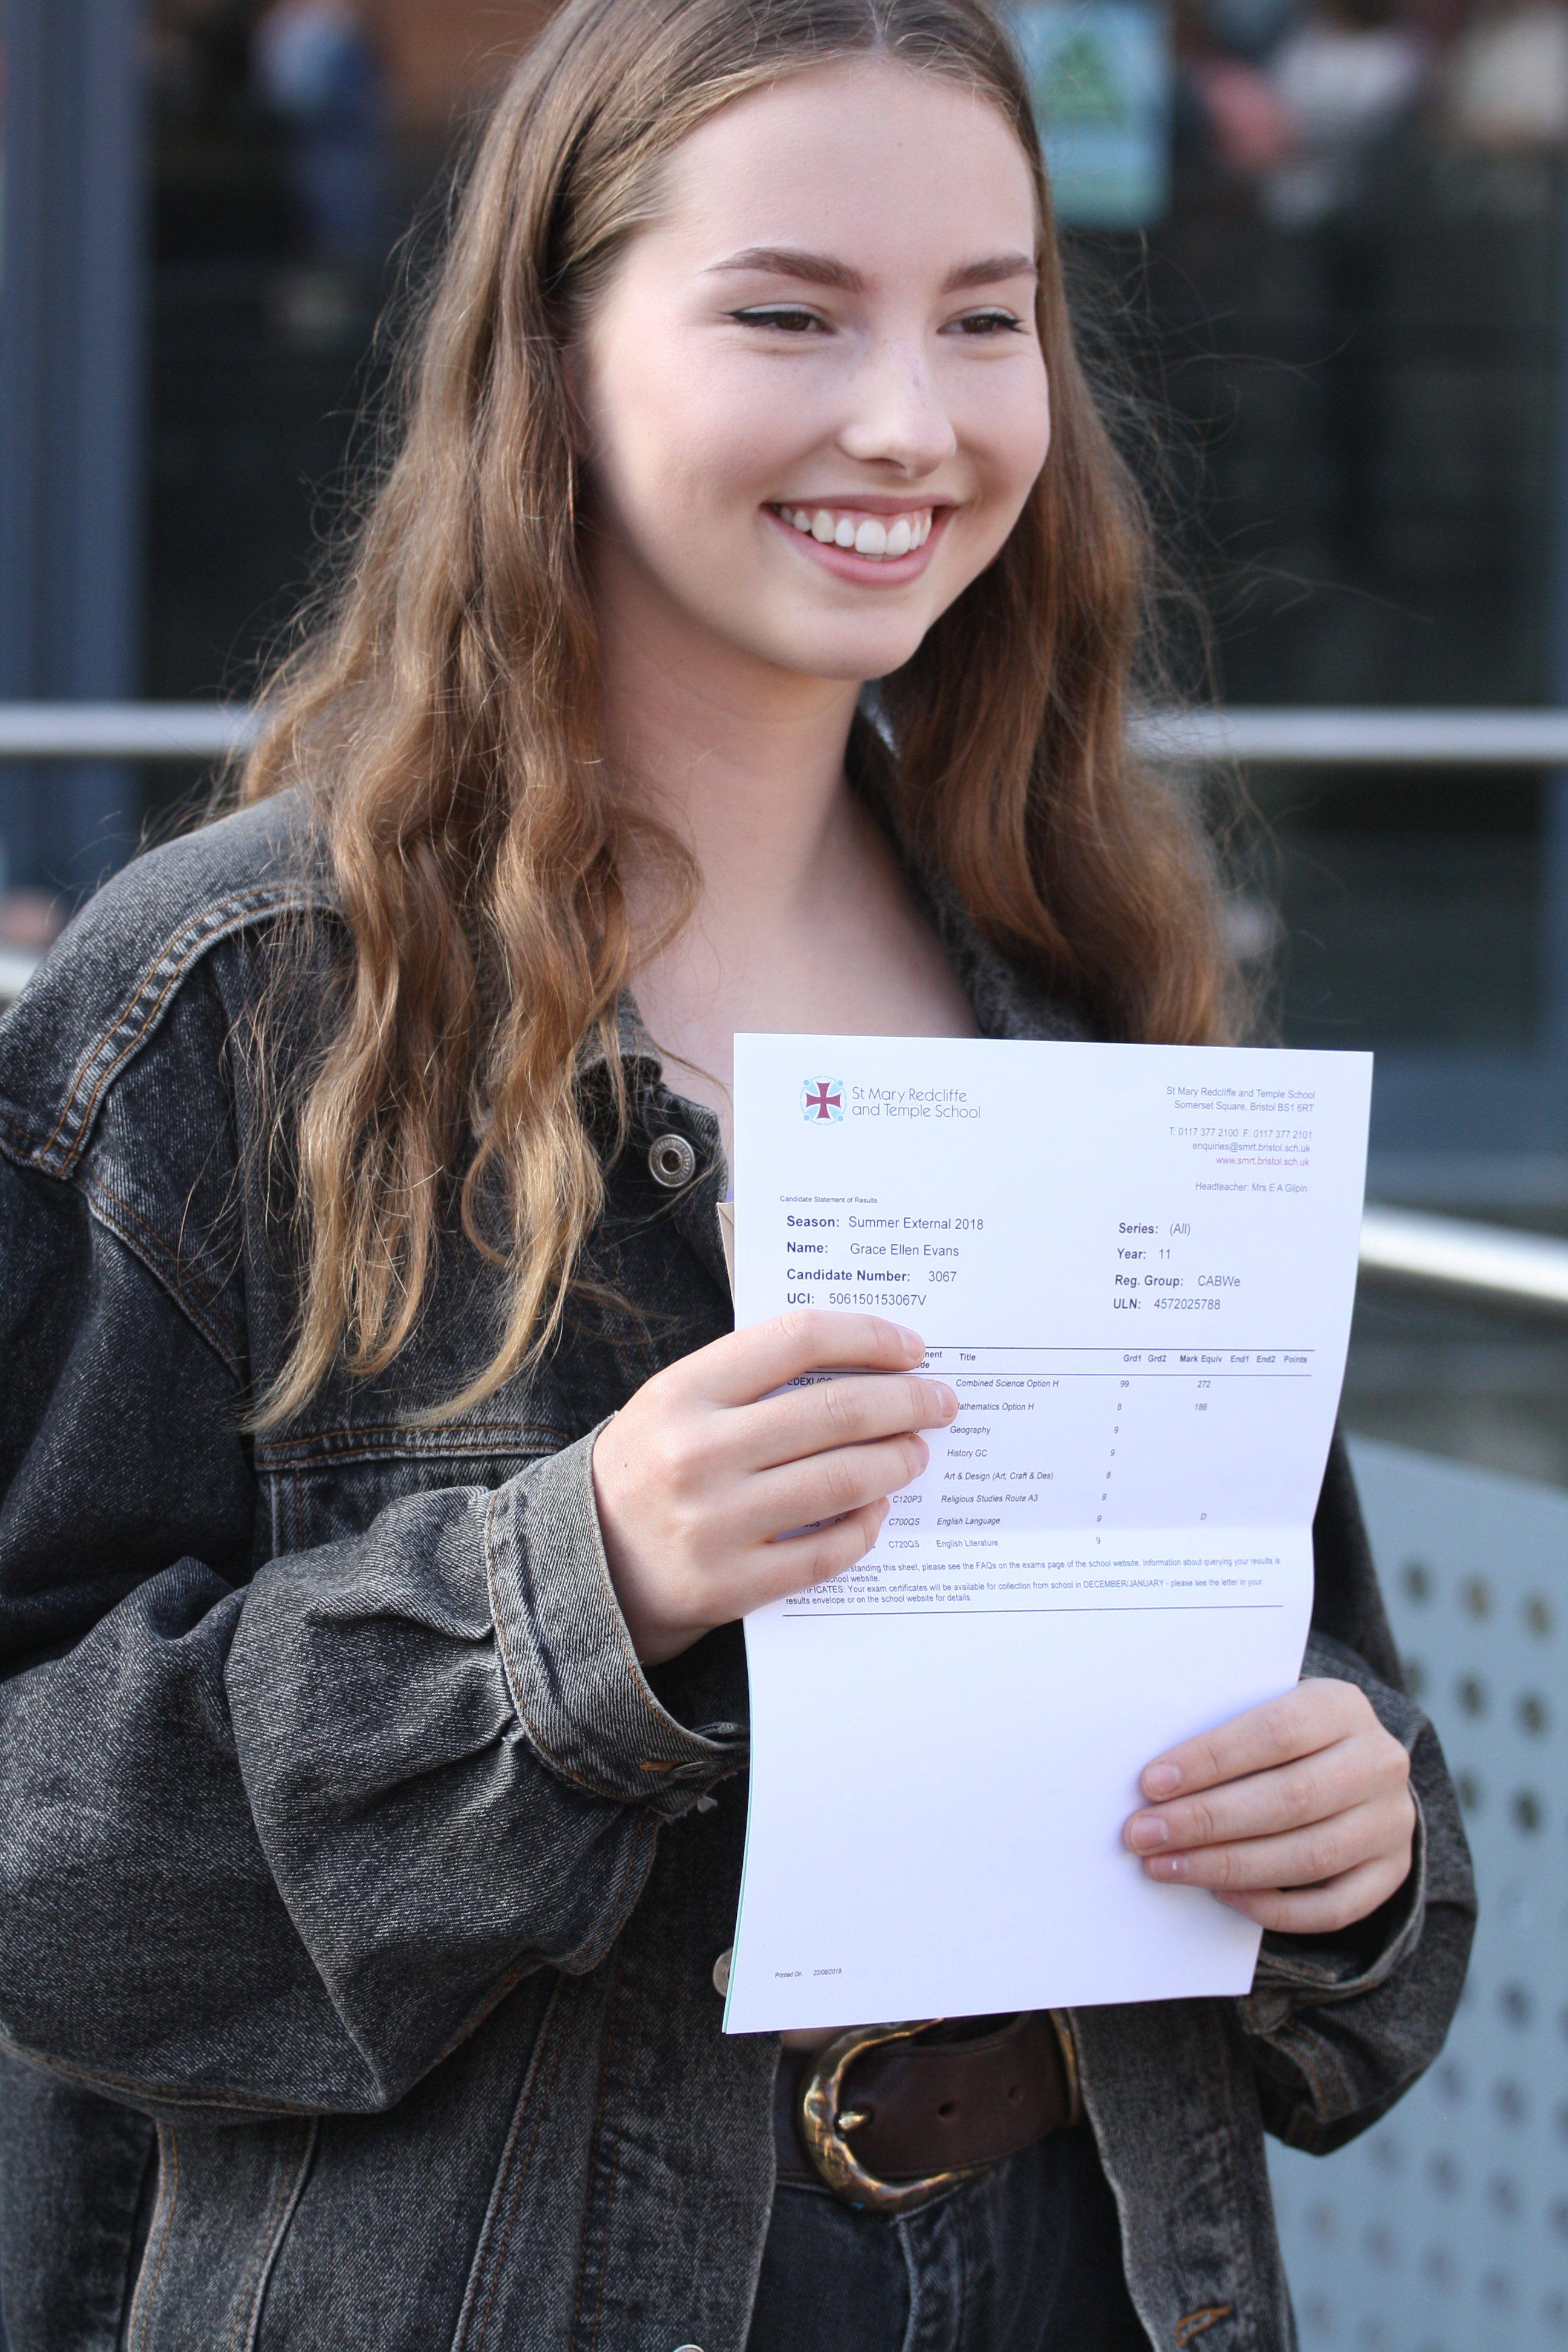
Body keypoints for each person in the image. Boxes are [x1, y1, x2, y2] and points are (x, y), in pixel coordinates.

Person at [0, 0, 1474, 2345]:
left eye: (986, 320)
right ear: (555, 355)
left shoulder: (1079, 985)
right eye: (789, 313)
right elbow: (43, 1881)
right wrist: (566, 1594)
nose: (910, 418)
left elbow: (1345, 1816)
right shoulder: (241, 1010)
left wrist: (1350, 1850)